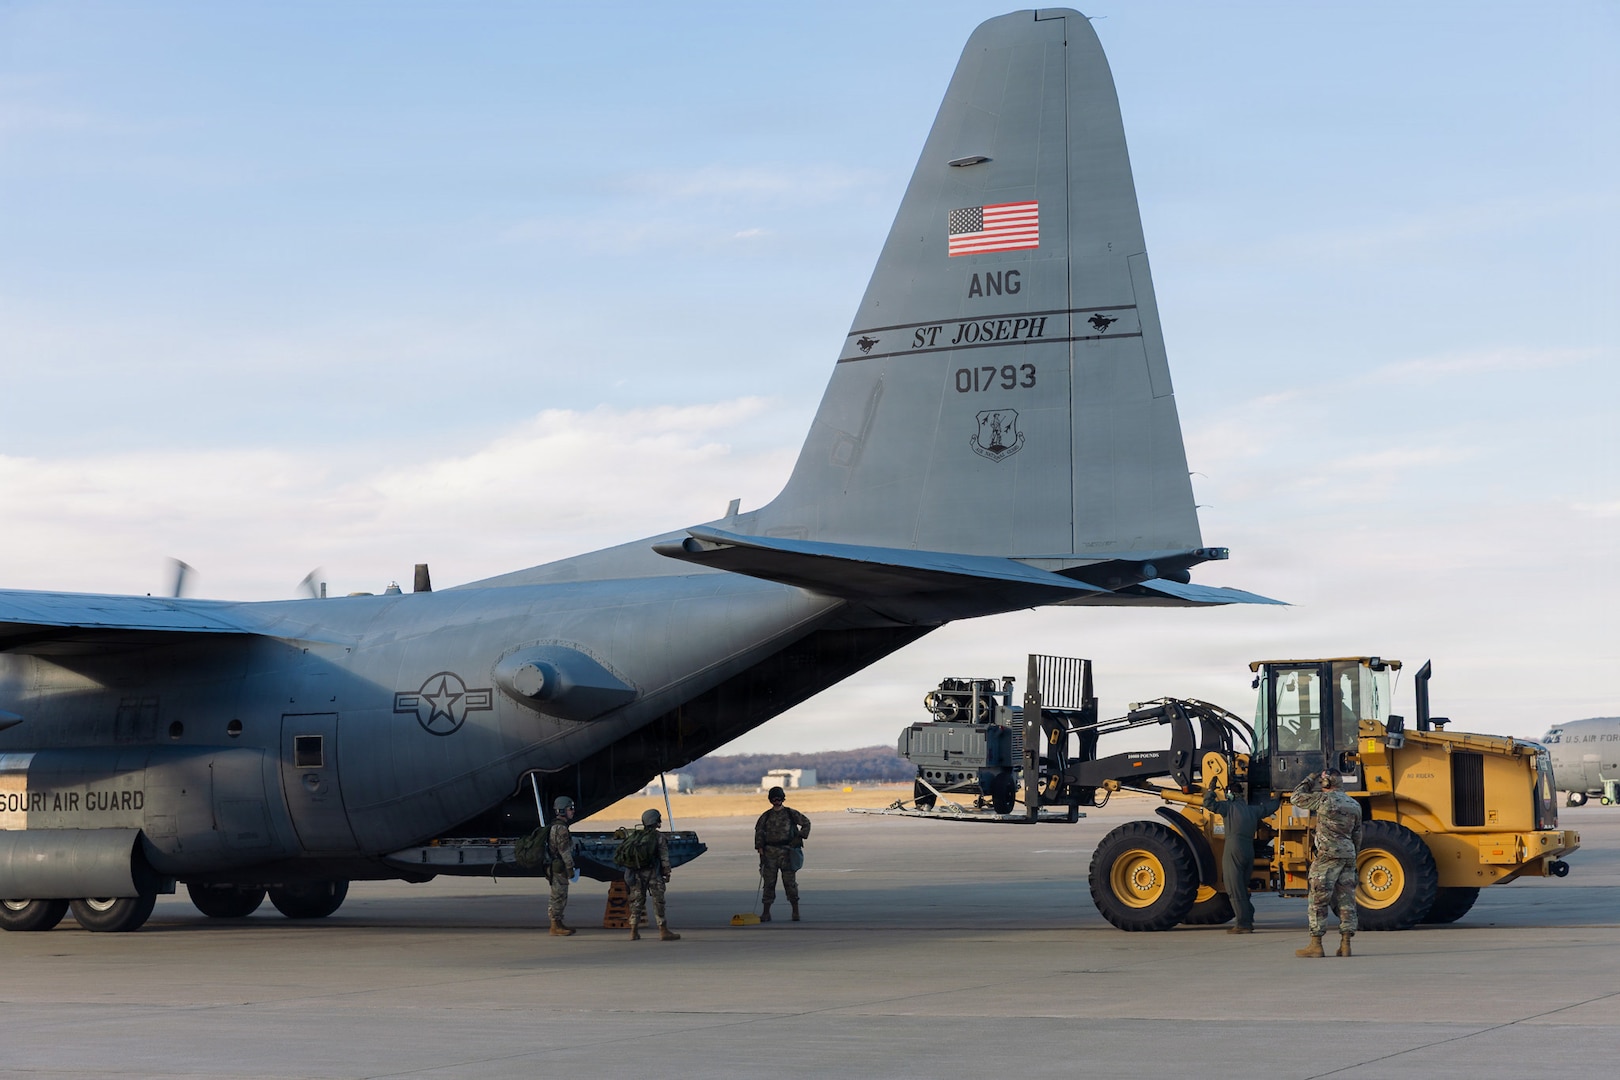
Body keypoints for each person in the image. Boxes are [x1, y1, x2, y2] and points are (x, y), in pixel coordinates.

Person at [1290, 770, 1362, 957]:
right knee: (1347, 901)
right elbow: (1357, 834)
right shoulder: (1354, 804)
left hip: (1327, 857)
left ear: (1327, 783)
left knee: (1318, 900)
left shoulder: (1323, 800)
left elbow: (1296, 797)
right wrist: (1353, 854)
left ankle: (1316, 945)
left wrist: (1310, 778)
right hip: (1348, 854)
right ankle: (1346, 945)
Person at [1202, 779, 1279, 933]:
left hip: (1233, 848)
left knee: (1234, 888)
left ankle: (1243, 924)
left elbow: (1209, 804)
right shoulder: (1252, 810)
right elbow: (1271, 807)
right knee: (1242, 888)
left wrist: (1210, 790)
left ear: (1229, 795)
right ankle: (1248, 917)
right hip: (1248, 850)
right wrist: (1277, 796)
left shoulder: (1228, 808)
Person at [754, 785, 812, 922]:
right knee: (768, 884)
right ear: (770, 800)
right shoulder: (765, 816)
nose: (776, 801)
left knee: (790, 883)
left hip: (787, 853)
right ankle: (766, 913)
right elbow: (759, 832)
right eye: (774, 798)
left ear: (783, 799)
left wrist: (799, 837)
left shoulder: (791, 813)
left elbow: (806, 823)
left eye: (779, 798)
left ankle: (795, 912)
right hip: (770, 854)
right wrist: (760, 849)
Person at [623, 808, 679, 941]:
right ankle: (663, 930)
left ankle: (633, 932)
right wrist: (667, 872)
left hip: (637, 874)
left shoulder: (635, 836)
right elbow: (664, 857)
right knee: (658, 902)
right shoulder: (659, 837)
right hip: (653, 874)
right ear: (655, 821)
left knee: (636, 902)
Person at [547, 795, 578, 936]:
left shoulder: (557, 826)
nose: (572, 811)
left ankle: (558, 923)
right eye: (570, 809)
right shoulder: (561, 829)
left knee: (561, 894)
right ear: (562, 811)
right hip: (559, 867)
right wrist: (570, 868)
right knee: (558, 895)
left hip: (556, 865)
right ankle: (554, 926)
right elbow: (564, 851)